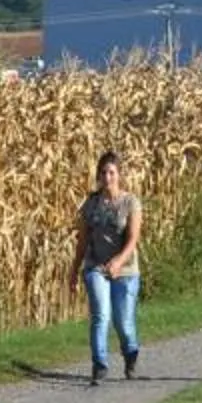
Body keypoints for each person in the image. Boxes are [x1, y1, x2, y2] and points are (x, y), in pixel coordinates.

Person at [76, 150, 143, 383]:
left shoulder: (130, 203)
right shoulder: (91, 204)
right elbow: (82, 239)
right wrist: (75, 268)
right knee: (100, 315)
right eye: (103, 172)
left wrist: (118, 261)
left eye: (111, 172)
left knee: (123, 322)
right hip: (96, 266)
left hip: (125, 270)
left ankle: (130, 354)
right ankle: (99, 364)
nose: (107, 177)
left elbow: (133, 238)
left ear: (119, 175)